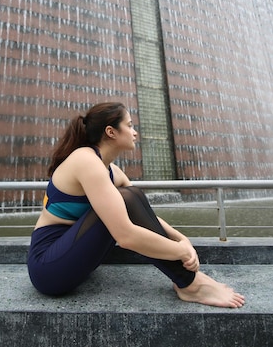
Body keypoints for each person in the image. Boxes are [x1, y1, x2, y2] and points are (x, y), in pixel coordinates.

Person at [27, 102, 245, 308]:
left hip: (74, 253)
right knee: (126, 197)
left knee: (130, 194)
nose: (135, 132)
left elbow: (141, 214)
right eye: (129, 126)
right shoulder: (85, 160)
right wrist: (179, 251)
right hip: (48, 267)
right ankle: (190, 284)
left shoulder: (112, 170)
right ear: (111, 132)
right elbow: (126, 236)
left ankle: (189, 281)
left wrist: (181, 238)